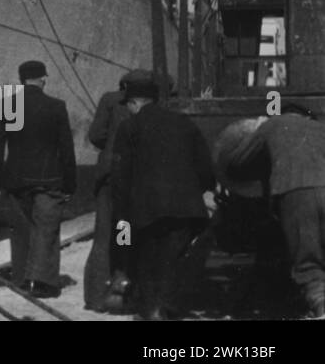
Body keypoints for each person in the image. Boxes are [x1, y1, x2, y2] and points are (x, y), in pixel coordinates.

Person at [111, 75, 216, 320]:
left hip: (146, 209)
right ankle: (165, 308)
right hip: (185, 208)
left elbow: (120, 176)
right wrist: (202, 192)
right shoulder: (184, 122)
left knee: (146, 259)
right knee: (173, 259)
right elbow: (204, 166)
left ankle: (152, 311)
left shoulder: (129, 127)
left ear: (135, 103)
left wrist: (121, 217)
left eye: (128, 104)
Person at [0, 60, 76, 298]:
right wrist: (70, 184)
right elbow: (66, 148)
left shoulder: (7, 105)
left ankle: (21, 278)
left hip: (15, 179)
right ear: (43, 79)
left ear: (21, 79)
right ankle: (44, 284)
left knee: (21, 230)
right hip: (49, 179)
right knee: (46, 229)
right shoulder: (56, 106)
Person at [226, 104, 325, 319]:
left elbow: (237, 160)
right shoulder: (320, 127)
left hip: (296, 191)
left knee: (307, 255)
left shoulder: (272, 124)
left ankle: (321, 308)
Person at [83, 69, 152, 312]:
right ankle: (120, 291)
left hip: (108, 176)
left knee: (102, 236)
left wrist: (111, 146)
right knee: (126, 233)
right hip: (132, 179)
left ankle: (94, 297)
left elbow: (95, 135)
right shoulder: (150, 106)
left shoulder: (109, 100)